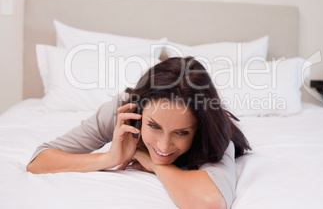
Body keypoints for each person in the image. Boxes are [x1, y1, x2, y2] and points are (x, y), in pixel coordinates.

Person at [26, 56, 251, 209]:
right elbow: (38, 161)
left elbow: (210, 202)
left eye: (181, 133)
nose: (163, 146)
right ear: (140, 112)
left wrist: (150, 161)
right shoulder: (125, 111)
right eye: (154, 126)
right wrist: (108, 158)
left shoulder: (214, 136)